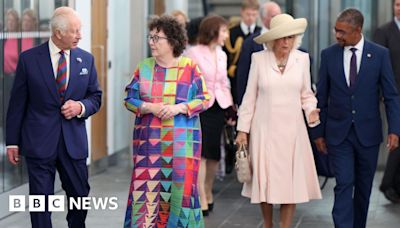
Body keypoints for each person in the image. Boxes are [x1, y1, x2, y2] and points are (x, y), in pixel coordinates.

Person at [6, 6, 102, 228]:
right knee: (41, 201)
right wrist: (13, 141)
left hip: (73, 143)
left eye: (80, 30)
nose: (80, 35)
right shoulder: (29, 59)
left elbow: (95, 97)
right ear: (58, 33)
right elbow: (17, 104)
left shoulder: (86, 60)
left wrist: (80, 107)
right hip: (39, 142)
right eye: (74, 30)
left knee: (79, 195)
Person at [311, 8, 400, 228]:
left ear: (357, 30)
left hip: (368, 135)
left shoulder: (379, 54)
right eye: (336, 30)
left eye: (342, 31)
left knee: (363, 187)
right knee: (343, 183)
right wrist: (318, 133)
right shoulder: (328, 54)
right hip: (338, 135)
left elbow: (390, 95)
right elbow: (321, 97)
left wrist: (395, 130)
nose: (337, 35)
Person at [235, 14, 322, 228]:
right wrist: (242, 130)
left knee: (290, 184)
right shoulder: (259, 59)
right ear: (273, 39)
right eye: (282, 38)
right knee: (264, 182)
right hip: (264, 130)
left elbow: (306, 93)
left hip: (293, 132)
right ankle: (268, 224)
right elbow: (250, 96)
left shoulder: (302, 59)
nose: (286, 42)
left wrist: (311, 111)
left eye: (290, 38)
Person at [123, 15, 210, 227]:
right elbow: (129, 99)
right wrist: (148, 107)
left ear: (172, 40)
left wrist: (178, 108)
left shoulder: (190, 68)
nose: (151, 42)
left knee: (180, 195)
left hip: (182, 148)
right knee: (147, 195)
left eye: (156, 37)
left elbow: (204, 99)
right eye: (150, 37)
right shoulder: (143, 67)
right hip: (149, 148)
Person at [185, 15, 234, 216]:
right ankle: (200, 196)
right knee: (202, 153)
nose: (227, 35)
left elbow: (224, 82)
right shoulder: (193, 52)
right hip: (200, 107)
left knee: (214, 153)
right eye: (224, 31)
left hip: (218, 107)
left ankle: (207, 188)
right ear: (213, 31)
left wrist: (230, 105)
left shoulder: (222, 54)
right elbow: (188, 82)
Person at [373, 0, 400, 203]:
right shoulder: (383, 31)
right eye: (398, 4)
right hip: (394, 95)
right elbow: (377, 66)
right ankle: (388, 183)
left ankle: (393, 184)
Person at [236, 1, 281, 106]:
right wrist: (243, 105)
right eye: (274, 16)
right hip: (258, 102)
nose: (278, 19)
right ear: (263, 17)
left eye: (280, 15)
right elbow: (243, 76)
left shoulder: (287, 40)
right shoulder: (250, 42)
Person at [223, 0, 261, 104]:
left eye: (254, 15)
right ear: (242, 12)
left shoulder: (261, 33)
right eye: (248, 14)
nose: (250, 17)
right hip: (235, 79)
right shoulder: (231, 33)